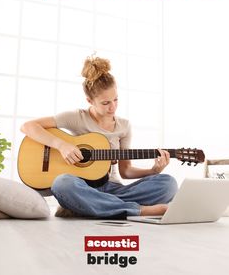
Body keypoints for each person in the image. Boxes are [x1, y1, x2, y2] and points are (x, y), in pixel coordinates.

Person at [21, 56, 178, 218]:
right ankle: (137, 210)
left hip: (113, 188)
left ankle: (93, 206)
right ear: (90, 100)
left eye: (116, 100)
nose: (113, 107)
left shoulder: (124, 126)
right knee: (62, 184)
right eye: (105, 103)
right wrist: (61, 145)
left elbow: (126, 171)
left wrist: (153, 171)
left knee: (168, 184)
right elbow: (28, 126)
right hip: (81, 186)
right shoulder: (76, 117)